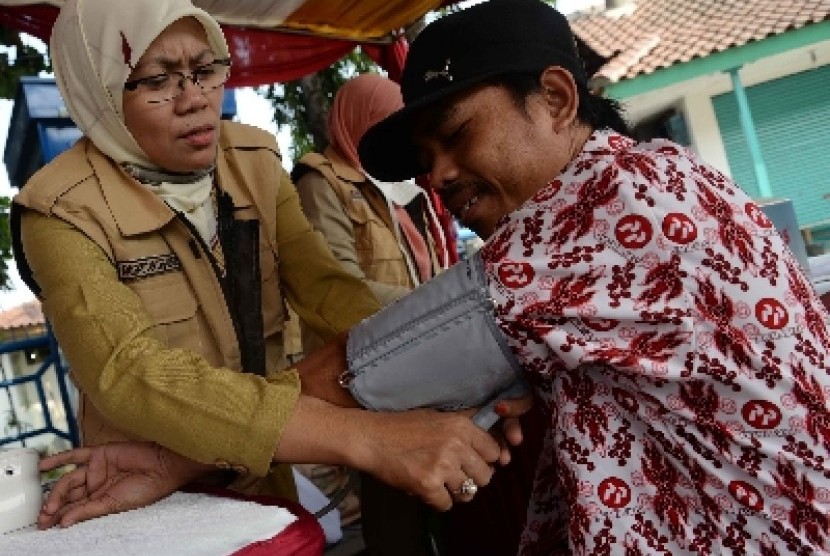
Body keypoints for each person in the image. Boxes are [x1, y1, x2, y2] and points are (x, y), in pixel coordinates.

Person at [18, 0, 523, 532]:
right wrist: (368, 439)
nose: (195, 100)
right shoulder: (59, 209)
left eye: (205, 69)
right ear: (98, 87)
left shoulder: (253, 161)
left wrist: (439, 374)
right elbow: (128, 372)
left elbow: (329, 292)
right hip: (143, 487)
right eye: (157, 80)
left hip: (268, 456)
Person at [355, 0, 830, 553]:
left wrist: (365, 441)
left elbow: (347, 381)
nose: (437, 176)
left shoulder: (588, 215)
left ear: (556, 99)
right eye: (426, 158)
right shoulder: (663, 173)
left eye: (457, 134)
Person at [292, 73, 450, 554]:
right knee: (393, 502)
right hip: (368, 362)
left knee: (439, 493)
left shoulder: (402, 186)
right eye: (381, 125)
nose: (392, 138)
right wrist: (432, 306)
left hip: (422, 352)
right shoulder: (323, 183)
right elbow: (335, 283)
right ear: (354, 121)